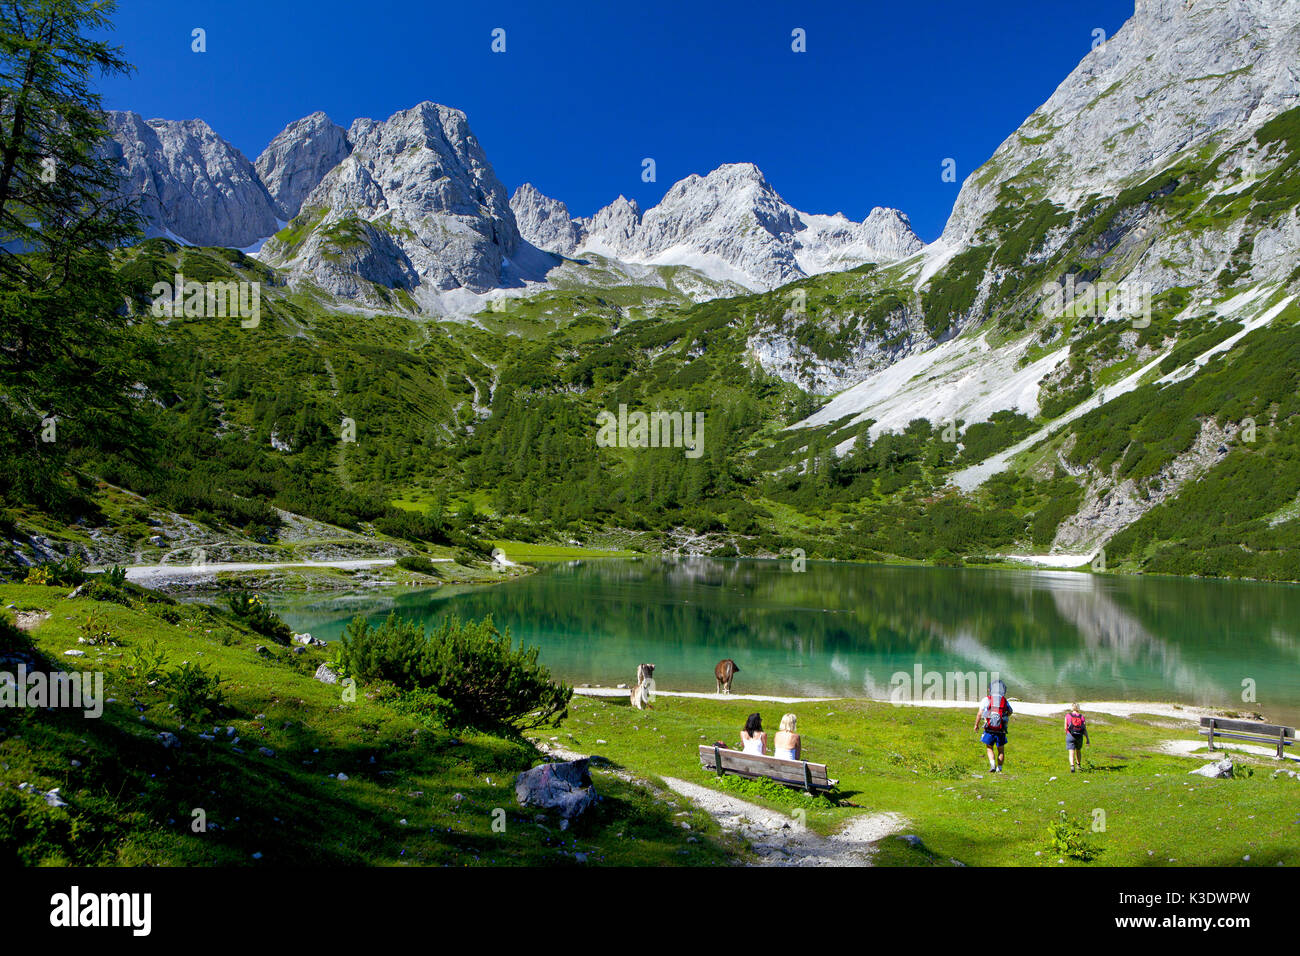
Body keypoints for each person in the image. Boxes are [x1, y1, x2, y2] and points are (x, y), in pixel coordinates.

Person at [974, 680, 1013, 772]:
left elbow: (980, 713)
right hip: (1001, 729)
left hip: (989, 729)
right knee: (1001, 750)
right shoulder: (1004, 700)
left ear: (990, 689)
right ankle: (999, 769)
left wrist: (976, 724)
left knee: (989, 748)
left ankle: (992, 765)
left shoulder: (987, 699)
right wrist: (1005, 716)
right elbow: (1010, 711)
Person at [1065, 703, 1090, 772]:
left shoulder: (1068, 715)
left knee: (1071, 751)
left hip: (1070, 735)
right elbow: (1084, 729)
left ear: (1072, 708)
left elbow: (1065, 727)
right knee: (1078, 750)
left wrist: (1067, 734)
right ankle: (1078, 765)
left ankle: (1072, 766)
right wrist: (1087, 739)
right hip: (1079, 736)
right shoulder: (1081, 717)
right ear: (1078, 708)